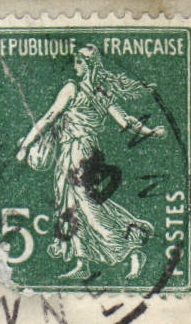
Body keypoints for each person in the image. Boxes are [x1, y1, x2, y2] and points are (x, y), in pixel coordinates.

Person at [15, 44, 166, 279]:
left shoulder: (71, 88)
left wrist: (26, 145)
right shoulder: (102, 92)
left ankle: (131, 249)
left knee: (88, 205)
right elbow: (126, 121)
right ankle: (81, 262)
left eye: (78, 62)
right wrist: (150, 131)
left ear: (88, 66)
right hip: (81, 151)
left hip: (78, 152)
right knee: (71, 204)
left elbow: (48, 117)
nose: (74, 66)